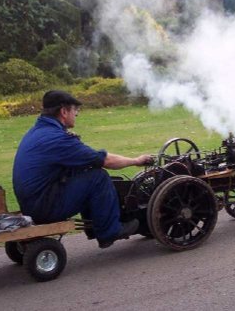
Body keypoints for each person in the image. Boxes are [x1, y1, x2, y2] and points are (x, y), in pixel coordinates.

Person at [12, 90, 153, 248]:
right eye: (75, 110)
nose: (77, 114)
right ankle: (109, 231)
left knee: (84, 171)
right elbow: (104, 160)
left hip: (32, 203)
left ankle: (95, 227)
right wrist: (136, 160)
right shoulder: (57, 139)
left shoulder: (38, 131)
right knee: (98, 177)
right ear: (64, 111)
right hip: (44, 207)